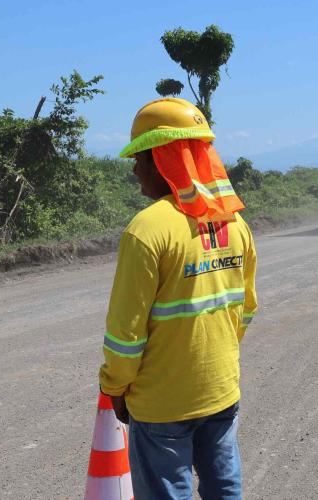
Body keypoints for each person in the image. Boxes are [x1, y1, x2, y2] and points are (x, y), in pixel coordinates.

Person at [98, 97, 258, 499]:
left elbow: (125, 334)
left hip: (162, 402)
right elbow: (246, 309)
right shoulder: (234, 221)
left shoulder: (147, 229)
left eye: (140, 158)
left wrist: (115, 388)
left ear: (164, 159)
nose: (135, 169)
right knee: (224, 488)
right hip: (220, 390)